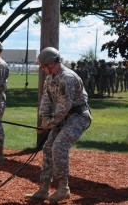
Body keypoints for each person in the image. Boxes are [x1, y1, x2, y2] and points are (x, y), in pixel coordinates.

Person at [25, 47, 91, 202]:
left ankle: (63, 189)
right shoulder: (51, 78)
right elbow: (45, 101)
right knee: (48, 148)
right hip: (62, 118)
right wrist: (43, 120)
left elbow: (63, 108)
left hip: (78, 117)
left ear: (52, 63)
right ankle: (44, 189)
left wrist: (49, 124)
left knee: (59, 146)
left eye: (43, 66)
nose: (42, 69)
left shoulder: (67, 78)